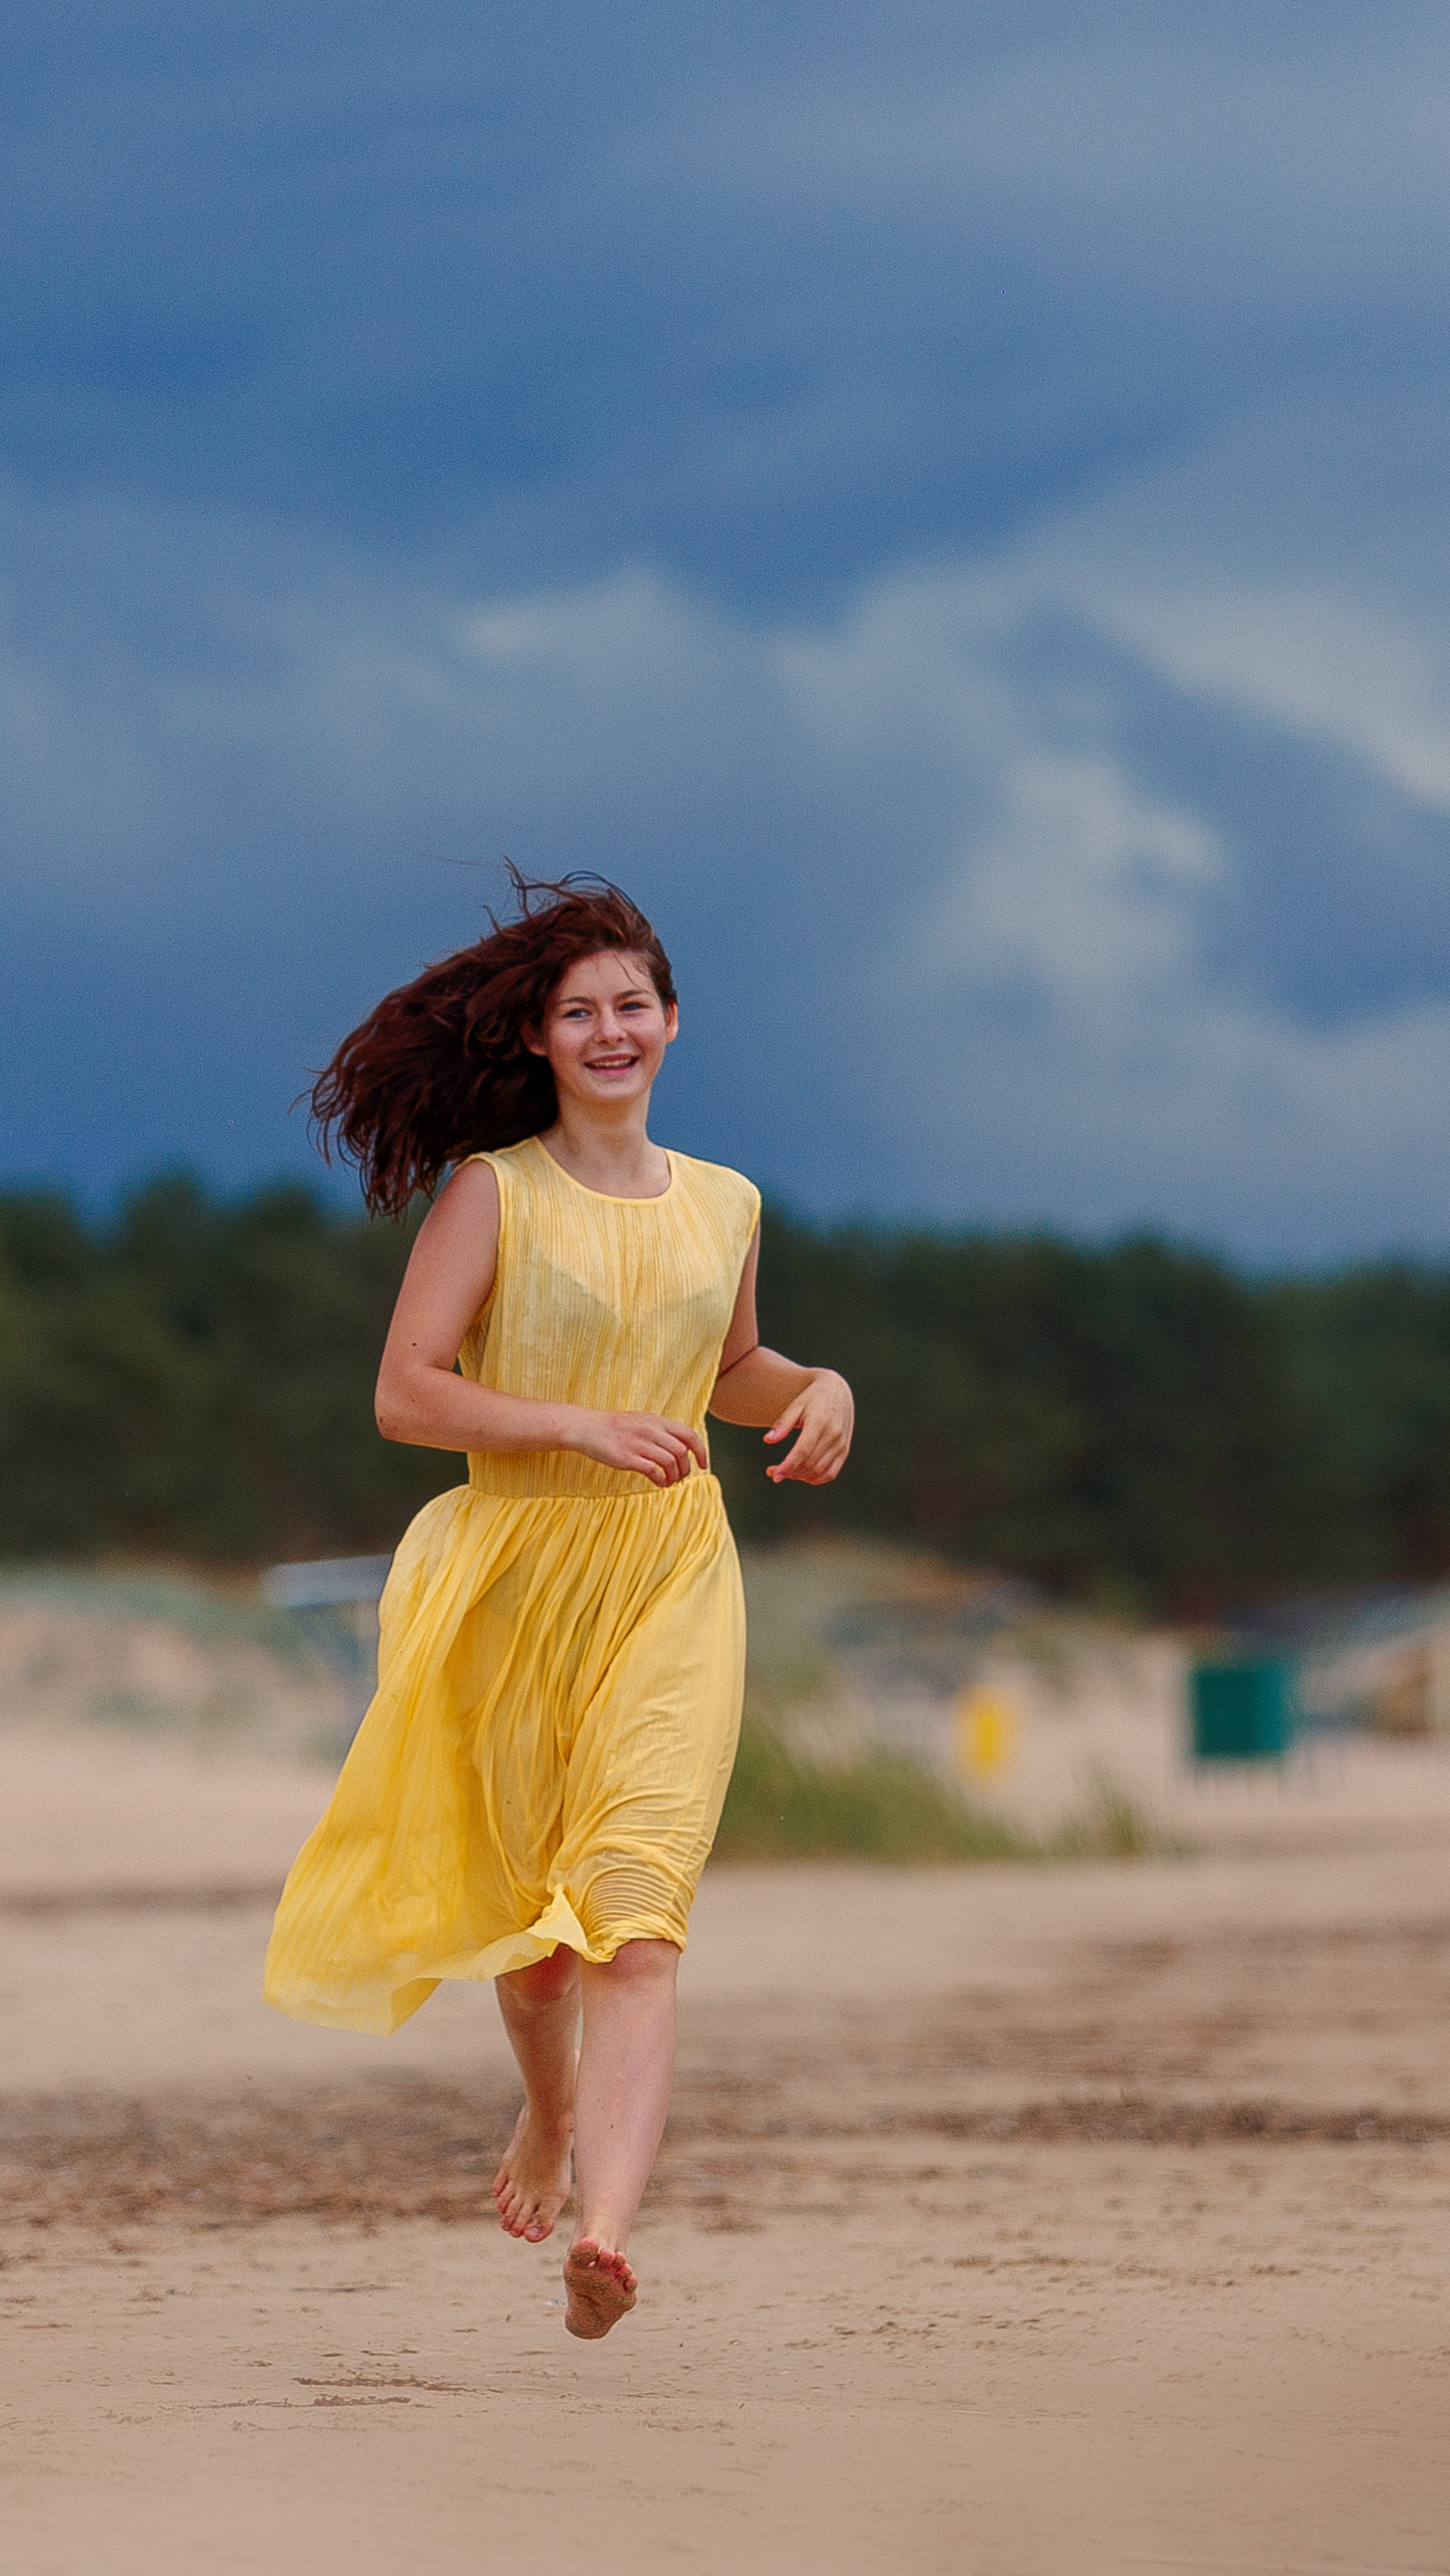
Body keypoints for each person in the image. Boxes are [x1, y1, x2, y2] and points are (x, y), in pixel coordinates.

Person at [263, 872, 853, 2337]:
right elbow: (408, 1394)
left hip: (669, 1575)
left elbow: (727, 1371)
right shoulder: (494, 1192)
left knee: (634, 1923)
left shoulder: (726, 1202)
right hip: (516, 1574)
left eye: (630, 1007)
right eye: (578, 1011)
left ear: (672, 1025)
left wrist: (821, 1387)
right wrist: (581, 1425)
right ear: (536, 1036)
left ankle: (605, 2236)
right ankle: (546, 2114)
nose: (608, 1031)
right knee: (533, 1950)